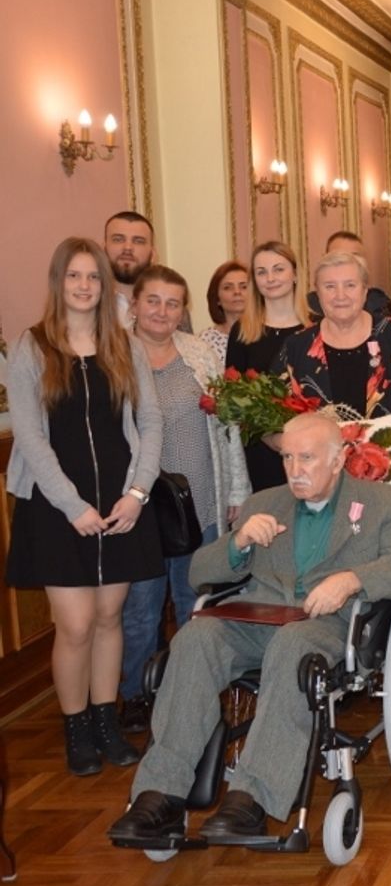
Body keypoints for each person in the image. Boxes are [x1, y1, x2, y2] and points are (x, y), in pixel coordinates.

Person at [107, 413, 391, 843]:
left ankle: (251, 798)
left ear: (338, 460)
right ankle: (159, 793)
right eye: (287, 458)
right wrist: (238, 543)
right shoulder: (264, 503)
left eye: (307, 458)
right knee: (195, 637)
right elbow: (198, 574)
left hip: (328, 623)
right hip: (260, 618)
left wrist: (352, 580)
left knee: (293, 645)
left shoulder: (383, 503)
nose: (295, 470)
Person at [6, 237, 163, 776]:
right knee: (74, 625)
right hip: (57, 507)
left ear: (104, 285)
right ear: (59, 282)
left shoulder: (125, 346)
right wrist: (72, 505)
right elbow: (30, 437)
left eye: (93, 276)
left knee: (109, 616)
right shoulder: (32, 347)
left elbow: (151, 422)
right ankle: (75, 727)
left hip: (122, 505)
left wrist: (137, 494)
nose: (84, 285)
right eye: (74, 275)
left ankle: (105, 720)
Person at [118, 266, 250, 733]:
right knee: (141, 609)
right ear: (134, 305)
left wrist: (236, 490)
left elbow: (228, 426)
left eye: (173, 303)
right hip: (139, 508)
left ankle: (194, 692)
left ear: (183, 310)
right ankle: (137, 695)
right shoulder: (114, 355)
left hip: (201, 504)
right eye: (153, 300)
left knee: (196, 603)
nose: (162, 311)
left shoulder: (199, 353)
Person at [273, 252, 391, 478]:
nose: (340, 295)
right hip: (320, 479)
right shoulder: (297, 346)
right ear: (317, 293)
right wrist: (299, 455)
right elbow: (271, 418)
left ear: (365, 291)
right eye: (330, 286)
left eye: (350, 285)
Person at [226, 241, 311, 492]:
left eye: (278, 269)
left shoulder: (317, 327)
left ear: (295, 274)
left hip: (311, 448)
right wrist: (270, 436)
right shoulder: (243, 330)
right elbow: (234, 396)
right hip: (261, 452)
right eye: (261, 272)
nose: (270, 278)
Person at [305, 232, 391, 320]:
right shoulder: (308, 306)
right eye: (338, 257)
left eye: (354, 257)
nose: (346, 263)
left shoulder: (378, 302)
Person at [102, 211, 156, 326]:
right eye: (118, 239)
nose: (128, 247)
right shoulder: (85, 301)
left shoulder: (169, 307)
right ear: (103, 249)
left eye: (138, 241)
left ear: (153, 254)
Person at [199, 261, 249, 365]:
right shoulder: (204, 341)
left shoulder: (267, 334)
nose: (237, 292)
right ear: (217, 299)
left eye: (244, 287)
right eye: (228, 288)